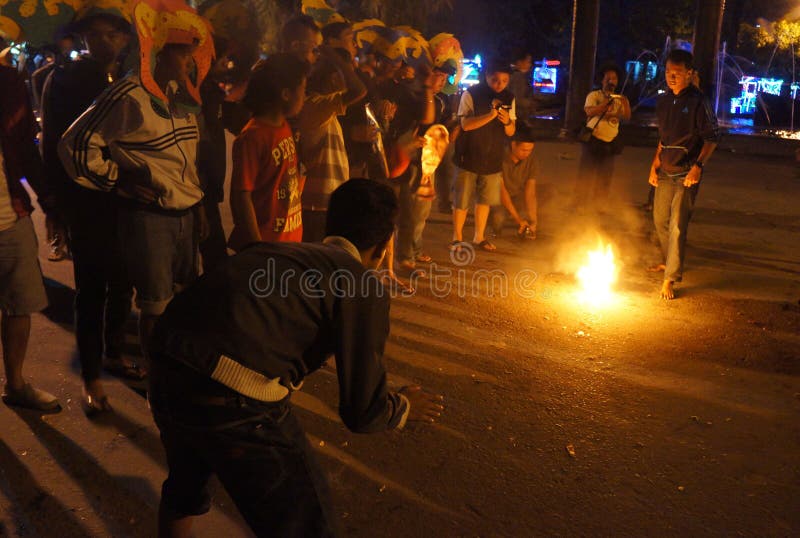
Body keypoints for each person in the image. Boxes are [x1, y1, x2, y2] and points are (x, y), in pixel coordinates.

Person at [148, 178, 444, 537]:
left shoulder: (278, 252)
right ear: (383, 246)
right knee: (308, 526)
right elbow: (362, 411)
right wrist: (403, 407)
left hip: (165, 362)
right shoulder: (361, 283)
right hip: (229, 394)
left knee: (185, 488)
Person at [59, 23, 212, 364]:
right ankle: (158, 384)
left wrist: (197, 204)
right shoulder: (128, 94)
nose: (190, 59)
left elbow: (187, 159)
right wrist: (116, 180)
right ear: (158, 52)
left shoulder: (181, 96)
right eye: (183, 51)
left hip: (185, 213)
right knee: (154, 305)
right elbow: (74, 145)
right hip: (150, 217)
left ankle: (176, 369)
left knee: (183, 300)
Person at [40, 10, 137, 414]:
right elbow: (52, 148)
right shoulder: (63, 79)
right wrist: (54, 206)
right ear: (82, 38)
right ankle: (92, 377)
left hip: (128, 195)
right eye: (94, 34)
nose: (103, 40)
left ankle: (114, 350)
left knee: (125, 279)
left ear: (124, 37)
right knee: (92, 286)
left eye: (112, 33)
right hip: (84, 198)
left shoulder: (135, 81)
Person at [0, 64, 60, 412]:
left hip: (11, 214)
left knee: (20, 304)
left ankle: (16, 384)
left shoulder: (8, 81)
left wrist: (49, 200)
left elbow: (24, 146)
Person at [281, 16, 366, 242]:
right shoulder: (313, 106)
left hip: (322, 202)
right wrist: (332, 54)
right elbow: (357, 90)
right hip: (317, 205)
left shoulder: (319, 106)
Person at [648, 49, 719, 300]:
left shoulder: (699, 102)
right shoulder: (665, 100)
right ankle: (670, 261)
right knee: (659, 220)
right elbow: (663, 137)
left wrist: (699, 166)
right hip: (666, 169)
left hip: (687, 171)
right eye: (668, 72)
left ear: (689, 74)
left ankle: (670, 278)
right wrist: (654, 163)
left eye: (677, 73)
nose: (671, 77)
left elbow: (712, 139)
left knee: (678, 224)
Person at [228, 54, 308, 250]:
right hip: (266, 246)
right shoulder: (253, 137)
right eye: (303, 90)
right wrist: (257, 246)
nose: (305, 97)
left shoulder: (284, 126)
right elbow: (241, 196)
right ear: (286, 94)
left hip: (288, 242)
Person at [451, 57, 516, 253]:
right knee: (462, 200)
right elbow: (466, 124)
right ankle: (457, 238)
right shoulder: (471, 94)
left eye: (504, 81)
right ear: (487, 76)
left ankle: (479, 237)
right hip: (468, 156)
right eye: (496, 80)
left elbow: (512, 131)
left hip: (493, 159)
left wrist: (506, 121)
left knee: (484, 200)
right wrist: (490, 115)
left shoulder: (509, 98)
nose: (500, 85)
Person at [574, 63, 631, 212]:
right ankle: (580, 203)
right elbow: (589, 111)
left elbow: (627, 116)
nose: (611, 81)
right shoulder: (594, 95)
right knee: (586, 173)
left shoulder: (621, 98)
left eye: (614, 78)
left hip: (610, 142)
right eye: (608, 78)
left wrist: (623, 103)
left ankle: (599, 204)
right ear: (602, 80)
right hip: (593, 139)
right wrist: (605, 103)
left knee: (605, 176)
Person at [489, 124, 539, 239]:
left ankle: (521, 219)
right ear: (513, 145)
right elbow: (502, 193)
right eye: (524, 150)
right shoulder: (499, 158)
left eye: (530, 150)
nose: (527, 153)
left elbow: (530, 193)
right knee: (498, 219)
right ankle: (493, 217)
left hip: (517, 197)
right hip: (497, 198)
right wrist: (519, 220)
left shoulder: (531, 160)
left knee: (550, 193)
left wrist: (533, 221)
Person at [508, 50, 534, 125]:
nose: (530, 65)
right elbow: (517, 99)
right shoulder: (518, 76)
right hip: (518, 117)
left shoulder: (510, 73)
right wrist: (531, 103)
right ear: (519, 62)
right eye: (528, 61)